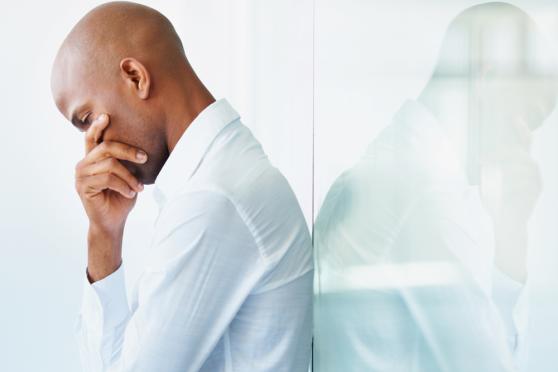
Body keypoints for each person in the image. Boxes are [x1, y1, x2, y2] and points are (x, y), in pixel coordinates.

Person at [50, 2, 313, 371]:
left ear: (136, 77)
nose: (93, 147)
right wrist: (104, 234)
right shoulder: (218, 178)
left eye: (88, 118)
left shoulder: (213, 199)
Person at [313, 2, 557, 371]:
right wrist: (512, 235)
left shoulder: (389, 166)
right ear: (488, 81)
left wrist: (511, 236)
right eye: (528, 116)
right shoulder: (426, 194)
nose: (525, 140)